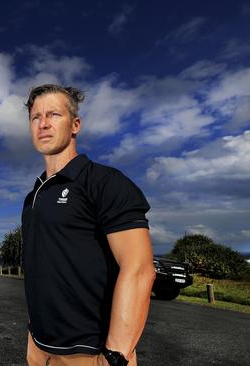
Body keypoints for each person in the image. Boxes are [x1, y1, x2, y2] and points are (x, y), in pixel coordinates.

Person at [21, 84, 156, 366]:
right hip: (39, 349)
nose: (43, 124)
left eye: (54, 114)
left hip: (91, 352)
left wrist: (115, 356)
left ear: (75, 125)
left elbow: (140, 269)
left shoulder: (105, 183)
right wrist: (33, 337)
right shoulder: (34, 196)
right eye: (36, 117)